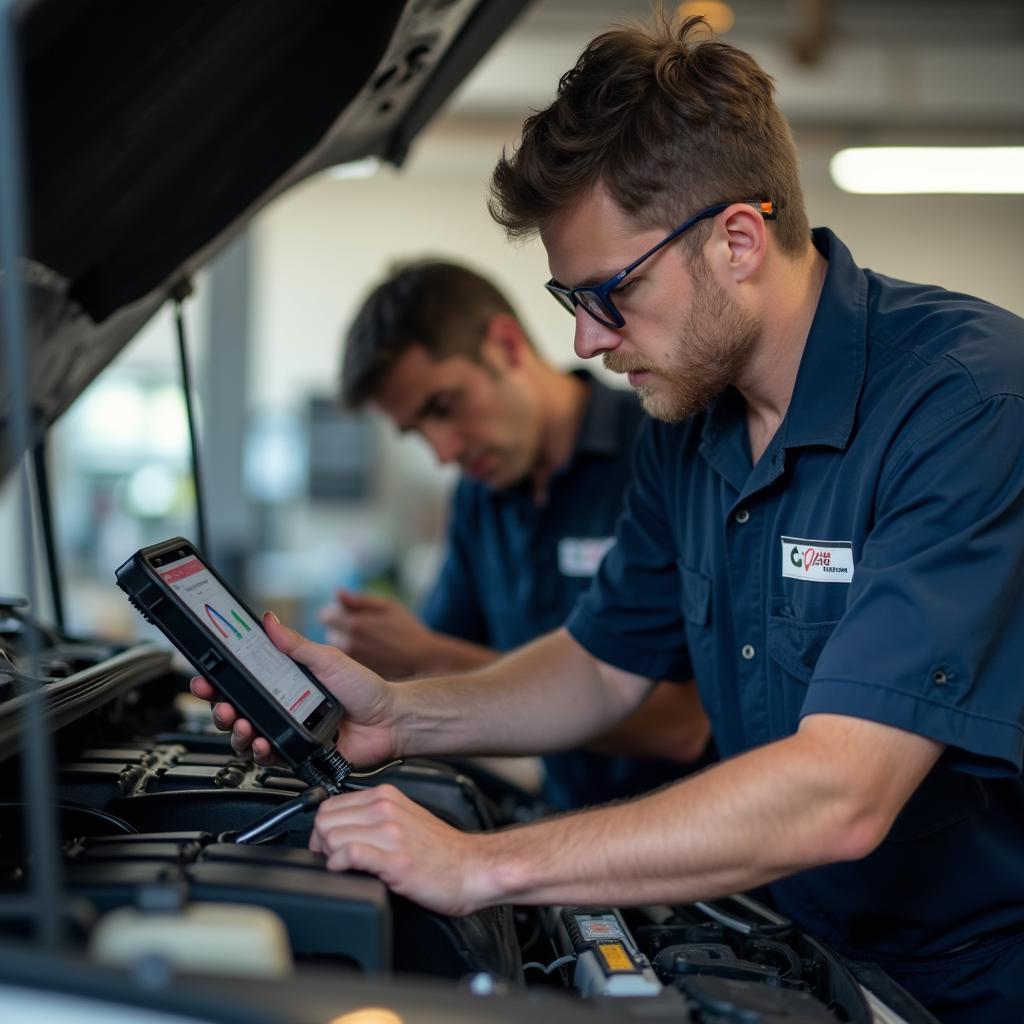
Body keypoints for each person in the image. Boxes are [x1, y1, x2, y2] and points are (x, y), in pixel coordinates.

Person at [194, 16, 1024, 1022]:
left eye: (609, 294)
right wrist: (400, 711)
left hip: (979, 982)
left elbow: (840, 793)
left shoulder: (964, 404)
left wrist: (483, 866)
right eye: (567, 297)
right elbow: (598, 666)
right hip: (811, 953)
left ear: (736, 240)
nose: (585, 340)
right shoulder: (687, 427)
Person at [319, 260, 712, 809]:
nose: (444, 453)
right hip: (560, 827)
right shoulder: (479, 497)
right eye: (417, 432)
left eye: (444, 407)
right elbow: (439, 669)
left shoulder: (663, 450)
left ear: (505, 344)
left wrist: (432, 655)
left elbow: (680, 725)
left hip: (691, 843)